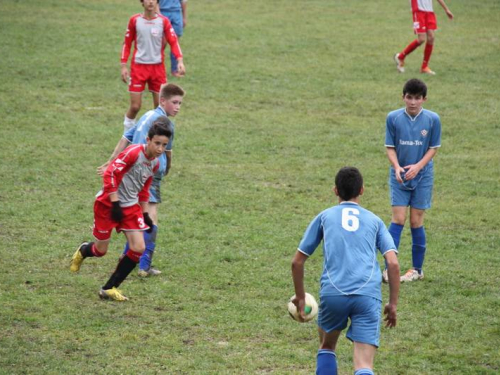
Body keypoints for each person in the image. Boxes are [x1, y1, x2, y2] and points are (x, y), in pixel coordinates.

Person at [291, 167, 400, 375]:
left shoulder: (324, 217)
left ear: (334, 190)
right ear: (362, 190)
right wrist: (392, 303)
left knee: (327, 347)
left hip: (334, 293)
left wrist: (300, 296)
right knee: (364, 365)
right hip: (367, 295)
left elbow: (297, 262)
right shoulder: (375, 221)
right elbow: (393, 264)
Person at [70, 121, 172, 301]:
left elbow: (144, 189)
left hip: (131, 207)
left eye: (164, 145)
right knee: (101, 251)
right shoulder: (133, 153)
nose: (160, 148)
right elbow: (110, 173)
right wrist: (115, 203)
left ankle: (109, 288)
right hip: (108, 204)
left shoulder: (154, 164)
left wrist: (145, 213)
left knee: (138, 248)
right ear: (148, 140)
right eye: (157, 143)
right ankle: (84, 250)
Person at [97, 84, 185, 277]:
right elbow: (167, 152)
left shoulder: (147, 115)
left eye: (180, 103)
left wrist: (110, 161)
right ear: (162, 100)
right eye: (174, 102)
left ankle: (129, 256)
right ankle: (143, 264)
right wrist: (168, 166)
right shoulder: (165, 123)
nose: (177, 107)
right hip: (148, 173)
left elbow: (126, 136)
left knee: (135, 215)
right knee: (150, 218)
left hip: (134, 172)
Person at [384, 78, 441, 283]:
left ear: (424, 99)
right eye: (409, 97)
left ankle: (417, 269)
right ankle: (389, 269)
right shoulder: (393, 118)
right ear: (403, 97)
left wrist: (418, 167)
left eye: (418, 98)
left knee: (416, 221)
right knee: (398, 219)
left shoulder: (433, 119)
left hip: (423, 176)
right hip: (399, 176)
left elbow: (433, 148)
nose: (413, 102)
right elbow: (390, 147)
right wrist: (398, 167)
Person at [121, 0, 186, 131]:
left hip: (158, 69)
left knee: (160, 109)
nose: (150, 2)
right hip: (139, 68)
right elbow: (127, 43)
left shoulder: (163, 21)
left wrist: (180, 60)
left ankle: (154, 140)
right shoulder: (135, 20)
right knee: (135, 107)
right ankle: (127, 135)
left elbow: (173, 41)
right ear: (142, 2)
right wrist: (123, 65)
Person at [393, 0, 454, 75]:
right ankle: (401, 57)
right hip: (419, 11)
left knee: (431, 37)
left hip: (429, 11)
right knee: (421, 39)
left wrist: (446, 9)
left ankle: (424, 67)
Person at [157, 0, 188, 77]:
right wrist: (159, 14)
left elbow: (184, 2)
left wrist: (184, 17)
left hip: (177, 13)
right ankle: (156, 68)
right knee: (162, 43)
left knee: (175, 43)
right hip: (163, 12)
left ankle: (175, 70)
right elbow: (155, 2)